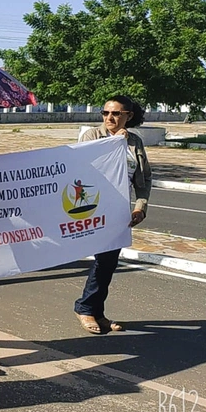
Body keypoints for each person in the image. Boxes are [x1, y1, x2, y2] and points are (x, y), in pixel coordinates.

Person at [74, 95, 151, 334]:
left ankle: (96, 312)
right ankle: (85, 308)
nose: (110, 118)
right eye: (105, 113)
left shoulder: (135, 142)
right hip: (92, 207)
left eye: (116, 114)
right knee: (101, 261)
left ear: (128, 116)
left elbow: (143, 179)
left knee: (108, 263)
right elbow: (83, 167)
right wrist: (114, 144)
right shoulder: (92, 136)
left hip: (118, 211)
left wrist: (140, 206)